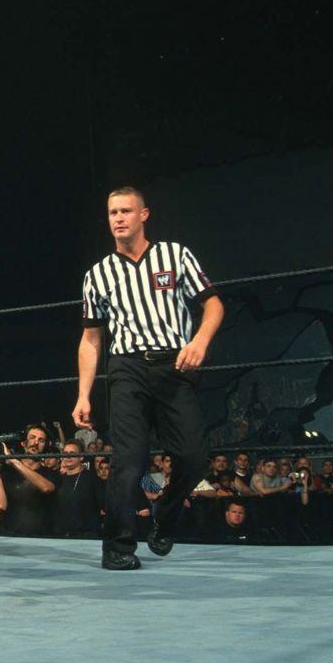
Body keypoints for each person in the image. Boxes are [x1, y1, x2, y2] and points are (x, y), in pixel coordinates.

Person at [73, 186, 224, 570]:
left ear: (144, 215)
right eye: (112, 212)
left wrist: (200, 342)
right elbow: (91, 338)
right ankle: (118, 546)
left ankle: (165, 517)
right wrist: (83, 394)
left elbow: (213, 304)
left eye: (126, 211)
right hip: (126, 369)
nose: (118, 218)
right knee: (129, 459)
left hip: (175, 365)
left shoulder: (175, 255)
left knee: (192, 457)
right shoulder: (98, 274)